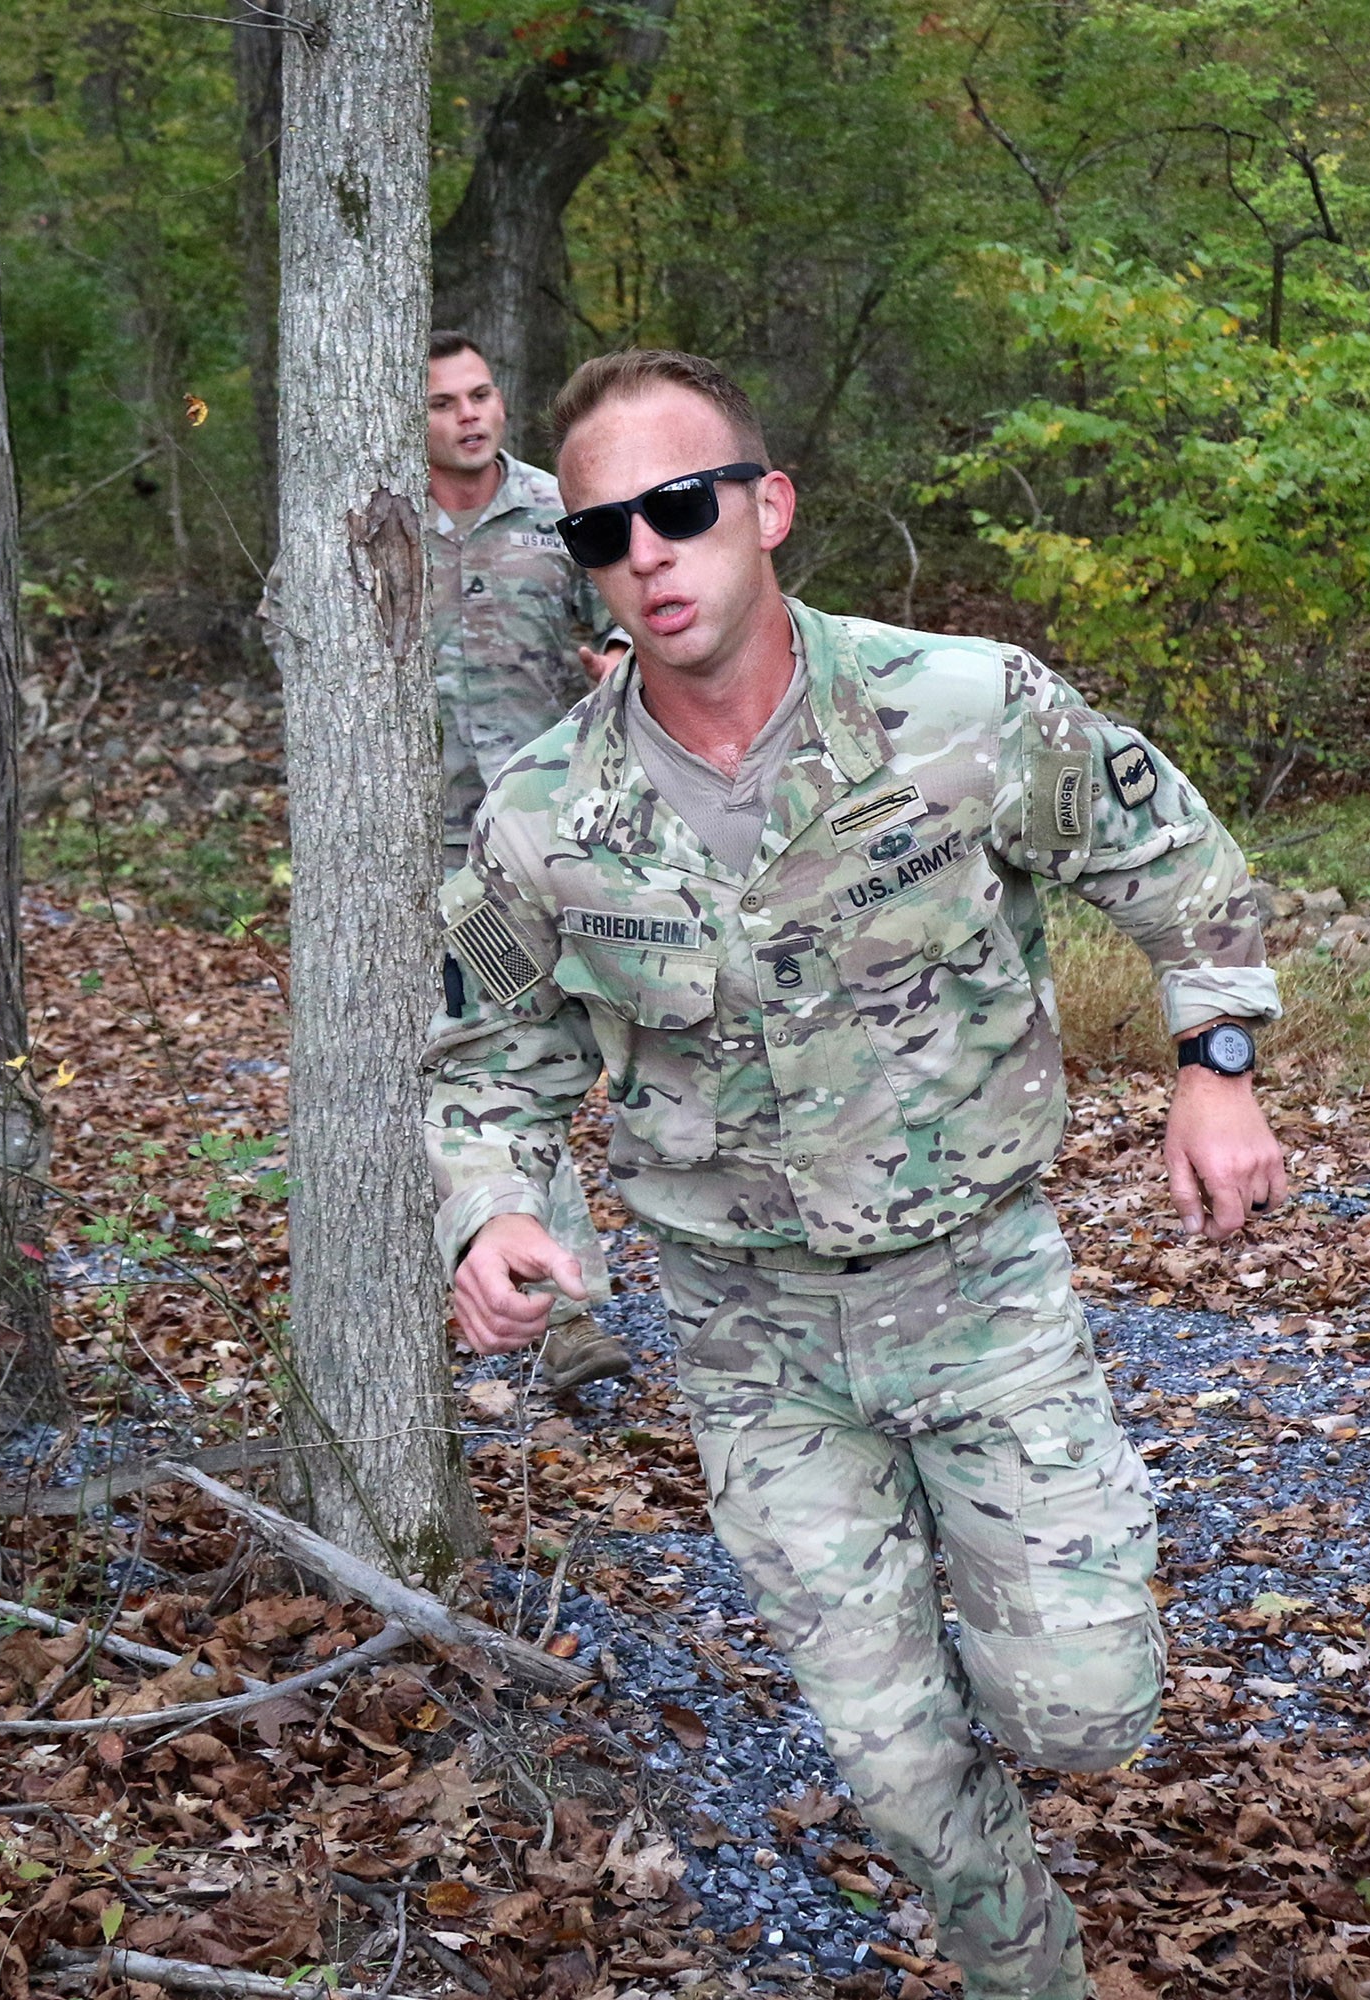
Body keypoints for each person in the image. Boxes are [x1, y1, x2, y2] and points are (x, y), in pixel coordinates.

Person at [422, 349, 1287, 2000]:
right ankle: (1030, 1976)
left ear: (768, 508)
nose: (648, 554)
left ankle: (1041, 1607)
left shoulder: (962, 709)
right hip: (751, 1347)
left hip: (980, 1297)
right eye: (603, 532)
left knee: (1084, 1714)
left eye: (681, 507)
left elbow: (1175, 861)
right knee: (894, 1770)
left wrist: (1217, 1064)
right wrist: (497, 1208)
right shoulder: (542, 816)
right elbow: (486, 1061)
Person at [424, 329, 632, 1391]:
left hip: (550, 836)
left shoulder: (560, 513)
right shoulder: (374, 520)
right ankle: (549, 1304)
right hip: (421, 849)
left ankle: (563, 1299)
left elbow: (631, 617)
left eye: (481, 394)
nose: (471, 415)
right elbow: (295, 636)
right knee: (475, 1063)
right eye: (444, 402)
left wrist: (618, 667)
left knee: (549, 1058)